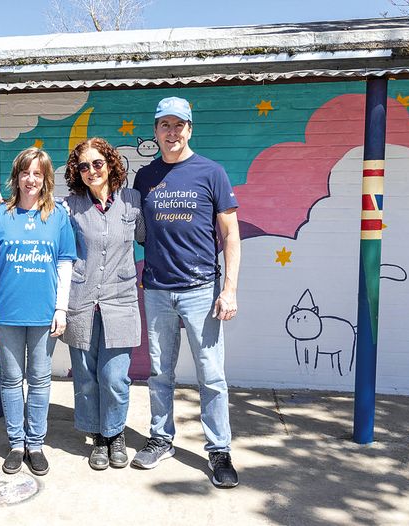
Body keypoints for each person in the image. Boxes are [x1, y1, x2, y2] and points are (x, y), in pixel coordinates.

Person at [132, 96, 241, 488]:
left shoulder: (211, 172)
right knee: (160, 372)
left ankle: (219, 451)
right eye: (165, 125)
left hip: (201, 290)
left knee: (211, 376)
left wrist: (229, 288)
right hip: (158, 289)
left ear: (190, 129)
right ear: (156, 130)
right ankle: (162, 439)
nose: (172, 132)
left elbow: (230, 234)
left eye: (179, 125)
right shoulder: (144, 178)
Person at [0, 147, 76, 476]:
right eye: (25, 172)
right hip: (6, 313)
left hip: (43, 313)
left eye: (37, 173)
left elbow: (65, 265)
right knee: (10, 379)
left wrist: (61, 308)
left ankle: (35, 444)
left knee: (39, 380)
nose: (30, 179)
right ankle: (15, 444)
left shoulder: (58, 216)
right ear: (16, 177)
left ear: (46, 179)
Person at [60, 138, 144, 470]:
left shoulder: (132, 201)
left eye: (98, 163)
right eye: (84, 166)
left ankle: (115, 432)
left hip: (120, 301)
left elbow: (148, 238)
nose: (92, 170)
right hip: (80, 301)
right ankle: (97, 435)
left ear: (110, 164)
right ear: (76, 172)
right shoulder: (70, 206)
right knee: (85, 375)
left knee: (114, 377)